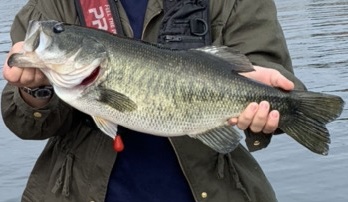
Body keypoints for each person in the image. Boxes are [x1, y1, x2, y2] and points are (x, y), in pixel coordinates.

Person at [1, 0, 306, 201]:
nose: (47, 34)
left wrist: (273, 99)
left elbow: (274, 72)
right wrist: (36, 92)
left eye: (57, 32)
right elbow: (25, 124)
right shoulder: (54, 6)